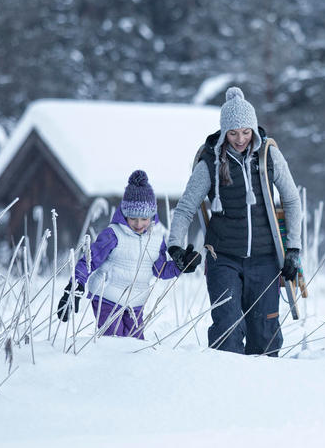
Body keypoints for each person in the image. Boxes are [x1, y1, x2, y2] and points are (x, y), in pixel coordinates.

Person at [167, 86, 302, 356]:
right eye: (233, 133)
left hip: (265, 259)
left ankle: (263, 391)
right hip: (223, 258)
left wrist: (293, 249)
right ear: (223, 132)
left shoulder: (268, 156)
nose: (240, 139)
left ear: (253, 129)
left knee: (265, 335)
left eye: (245, 132)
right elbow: (185, 209)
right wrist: (175, 247)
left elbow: (292, 200)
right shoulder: (210, 163)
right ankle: (224, 391)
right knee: (227, 330)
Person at [55, 170, 184, 339]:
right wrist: (75, 287)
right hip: (107, 299)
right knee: (114, 344)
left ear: (152, 216)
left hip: (136, 304)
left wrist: (180, 266)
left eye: (144, 219)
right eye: (133, 218)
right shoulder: (113, 234)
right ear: (124, 215)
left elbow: (159, 269)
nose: (139, 224)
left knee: (135, 345)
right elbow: (89, 260)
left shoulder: (156, 238)